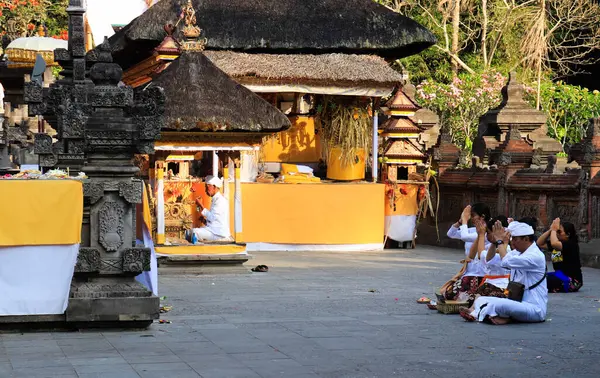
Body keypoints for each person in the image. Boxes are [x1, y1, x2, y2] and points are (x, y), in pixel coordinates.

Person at [461, 221, 547, 325]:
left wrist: (500, 242)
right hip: (518, 303)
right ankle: (488, 315)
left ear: (526, 239)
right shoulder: (518, 253)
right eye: (512, 239)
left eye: (515, 239)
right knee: (481, 299)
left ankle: (476, 314)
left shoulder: (535, 256)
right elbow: (489, 260)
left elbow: (506, 261)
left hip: (534, 308)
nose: (513, 242)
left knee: (498, 305)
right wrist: (494, 242)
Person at [443, 203, 491, 302]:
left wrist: (465, 220)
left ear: (482, 216)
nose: (471, 218)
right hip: (469, 272)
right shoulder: (473, 230)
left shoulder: (487, 232)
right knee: (447, 293)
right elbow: (451, 233)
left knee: (457, 296)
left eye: (473, 215)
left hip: (480, 273)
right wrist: (460, 221)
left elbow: (465, 237)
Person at [537, 218, 583, 293]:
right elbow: (539, 243)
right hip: (559, 275)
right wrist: (551, 230)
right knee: (537, 277)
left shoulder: (571, 244)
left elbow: (554, 243)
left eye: (559, 232)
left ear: (568, 234)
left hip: (572, 281)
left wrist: (554, 230)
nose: (557, 234)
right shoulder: (558, 242)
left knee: (542, 281)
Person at [471, 216, 511, 299]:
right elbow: (484, 257)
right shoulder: (492, 246)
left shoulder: (509, 248)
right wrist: (482, 236)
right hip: (489, 282)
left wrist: (481, 235)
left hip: (503, 286)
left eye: (488, 232)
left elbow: (481, 256)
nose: (487, 235)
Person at [185, 176, 232, 242]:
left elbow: (212, 218)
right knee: (189, 232)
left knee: (194, 233)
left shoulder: (220, 200)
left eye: (207, 188)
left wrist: (201, 205)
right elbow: (215, 220)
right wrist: (204, 221)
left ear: (214, 187)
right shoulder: (215, 199)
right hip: (213, 230)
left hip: (218, 234)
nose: (205, 191)